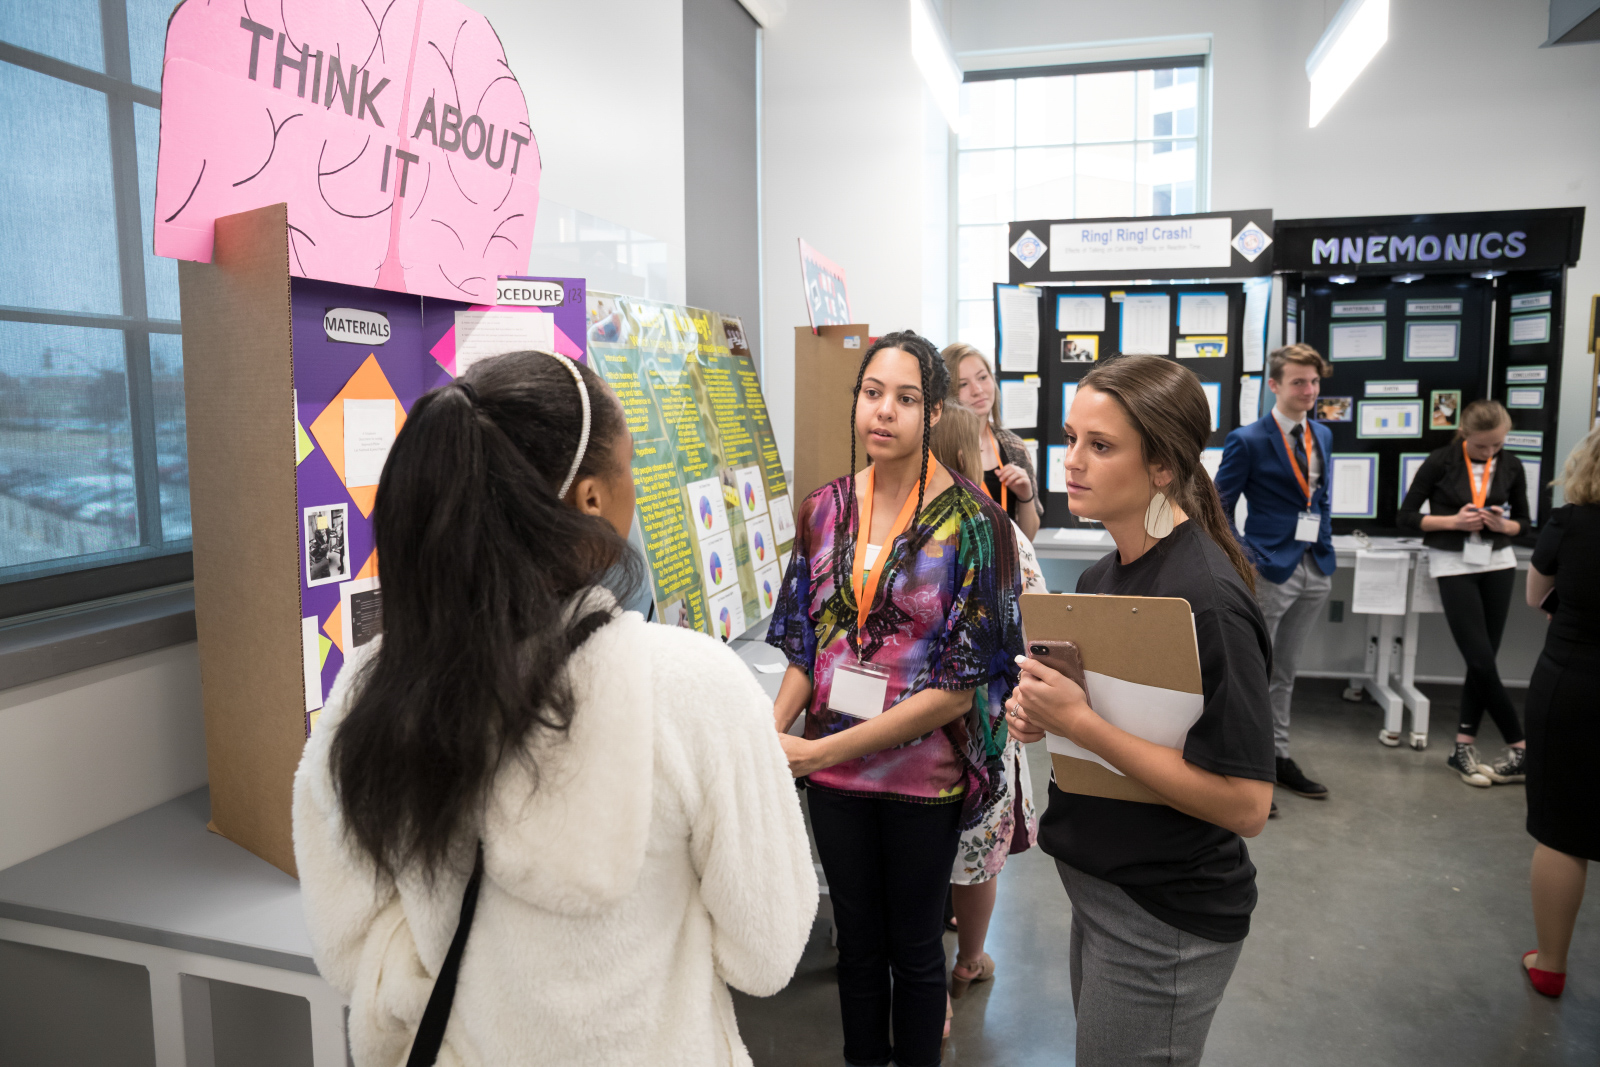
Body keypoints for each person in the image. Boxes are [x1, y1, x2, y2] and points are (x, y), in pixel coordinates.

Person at [292, 350, 817, 1066]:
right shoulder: (695, 687)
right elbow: (767, 950)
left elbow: (349, 944)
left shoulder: (368, 689)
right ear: (592, 499)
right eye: (631, 462)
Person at [1007, 354, 1274, 1067]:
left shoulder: (1207, 601)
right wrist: (1042, 714)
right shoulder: (1105, 576)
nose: (1073, 462)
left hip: (1165, 915)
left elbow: (1246, 804)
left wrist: (1082, 722)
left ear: (1162, 466)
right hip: (1103, 890)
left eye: (1101, 446)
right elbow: (1123, 732)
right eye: (1071, 440)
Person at [768, 331, 1024, 1067]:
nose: (885, 411)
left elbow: (959, 690)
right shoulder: (822, 509)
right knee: (856, 946)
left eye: (906, 398)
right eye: (872, 393)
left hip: (921, 782)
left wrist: (815, 749)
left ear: (934, 410)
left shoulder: (976, 524)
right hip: (832, 778)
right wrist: (765, 735)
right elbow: (805, 645)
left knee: (914, 951)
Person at [928, 401, 1041, 999]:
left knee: (916, 863)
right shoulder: (1003, 533)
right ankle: (969, 959)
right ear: (967, 457)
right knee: (975, 854)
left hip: (910, 735)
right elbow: (1036, 630)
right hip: (986, 735)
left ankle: (923, 990)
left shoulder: (901, 528)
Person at [1214, 343, 1332, 803]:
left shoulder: (1321, 435)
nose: (1309, 390)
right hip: (1269, 568)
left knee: (1286, 672)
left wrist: (1324, 542)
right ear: (1275, 385)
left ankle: (1279, 759)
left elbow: (1320, 499)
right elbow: (1219, 505)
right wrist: (1246, 557)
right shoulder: (1249, 439)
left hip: (1315, 565)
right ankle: (1251, 768)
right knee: (1253, 673)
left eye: (1315, 382)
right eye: (1299, 382)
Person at [1399, 398, 1530, 787]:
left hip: (1498, 562)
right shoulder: (1440, 460)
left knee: (1483, 659)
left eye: (1497, 445)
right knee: (1479, 657)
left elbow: (1525, 522)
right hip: (1452, 562)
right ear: (1465, 435)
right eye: (1482, 446)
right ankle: (1520, 745)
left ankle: (1462, 747)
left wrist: (1504, 526)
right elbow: (1405, 516)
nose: (1490, 452)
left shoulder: (1511, 463)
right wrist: (1453, 521)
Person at [1520, 426, 1600, 997]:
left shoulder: (1571, 521)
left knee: (1563, 832)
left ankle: (1550, 963)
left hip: (1575, 683)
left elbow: (1535, 596)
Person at [942, 342, 1043, 541]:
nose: (978, 390)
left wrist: (1026, 496)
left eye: (982, 377)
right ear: (947, 393)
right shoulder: (938, 451)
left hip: (1005, 568)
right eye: (963, 384)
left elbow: (1027, 539)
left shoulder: (1014, 447)